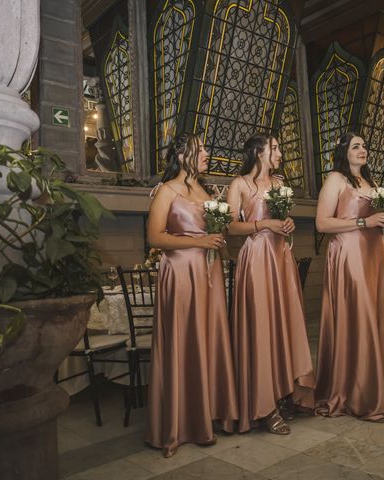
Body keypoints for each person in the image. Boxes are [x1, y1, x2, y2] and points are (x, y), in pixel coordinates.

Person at [145, 133, 238, 457]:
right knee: (184, 339)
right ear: (183, 155)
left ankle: (208, 413)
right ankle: (179, 423)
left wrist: (217, 231)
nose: (207, 154)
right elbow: (154, 236)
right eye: (201, 149)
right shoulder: (166, 190)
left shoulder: (206, 190)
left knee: (209, 337)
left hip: (209, 272)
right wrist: (199, 242)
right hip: (181, 272)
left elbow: (216, 232)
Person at [226, 133, 315, 435]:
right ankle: (265, 405)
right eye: (275, 148)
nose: (280, 152)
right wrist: (263, 224)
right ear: (259, 152)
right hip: (257, 257)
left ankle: (287, 391)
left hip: (280, 256)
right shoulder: (241, 184)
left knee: (285, 323)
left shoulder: (279, 184)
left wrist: (287, 225)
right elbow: (230, 226)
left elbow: (283, 219)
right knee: (262, 326)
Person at [314, 131, 384, 422]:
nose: (363, 150)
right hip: (349, 255)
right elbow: (322, 223)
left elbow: (374, 217)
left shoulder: (371, 183)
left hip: (373, 255)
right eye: (356, 146)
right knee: (359, 315)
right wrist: (365, 221)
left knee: (378, 315)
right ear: (344, 152)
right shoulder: (335, 179)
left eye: (365, 145)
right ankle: (357, 391)